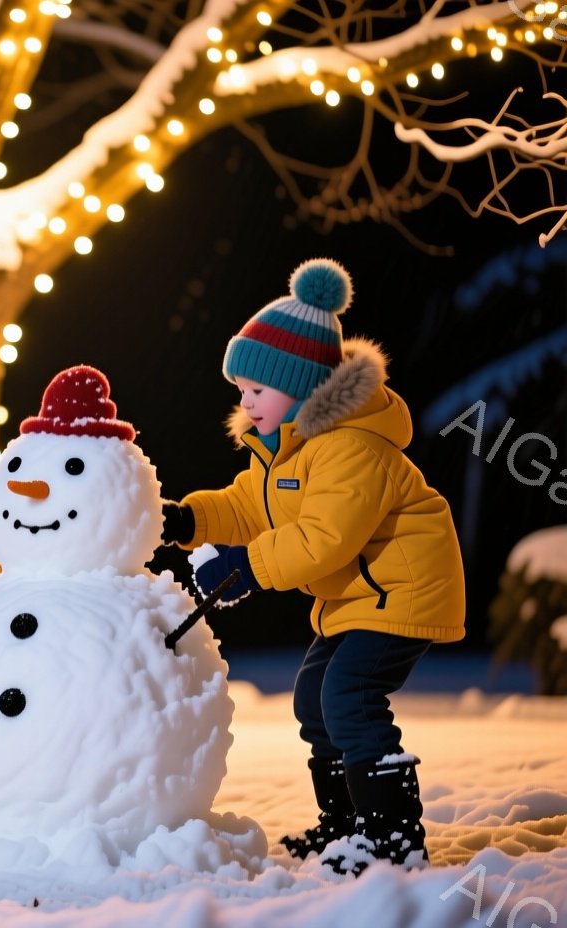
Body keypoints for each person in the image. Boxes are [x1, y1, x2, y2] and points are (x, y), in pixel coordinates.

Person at [161, 259, 464, 873]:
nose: (245, 403)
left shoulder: (351, 446)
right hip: (359, 600)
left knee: (348, 695)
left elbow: (325, 537)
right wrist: (190, 519)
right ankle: (345, 825)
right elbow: (250, 506)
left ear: (300, 388)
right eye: (240, 391)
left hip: (403, 591)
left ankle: (391, 839)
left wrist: (247, 567)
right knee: (312, 698)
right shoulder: (284, 451)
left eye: (256, 390)